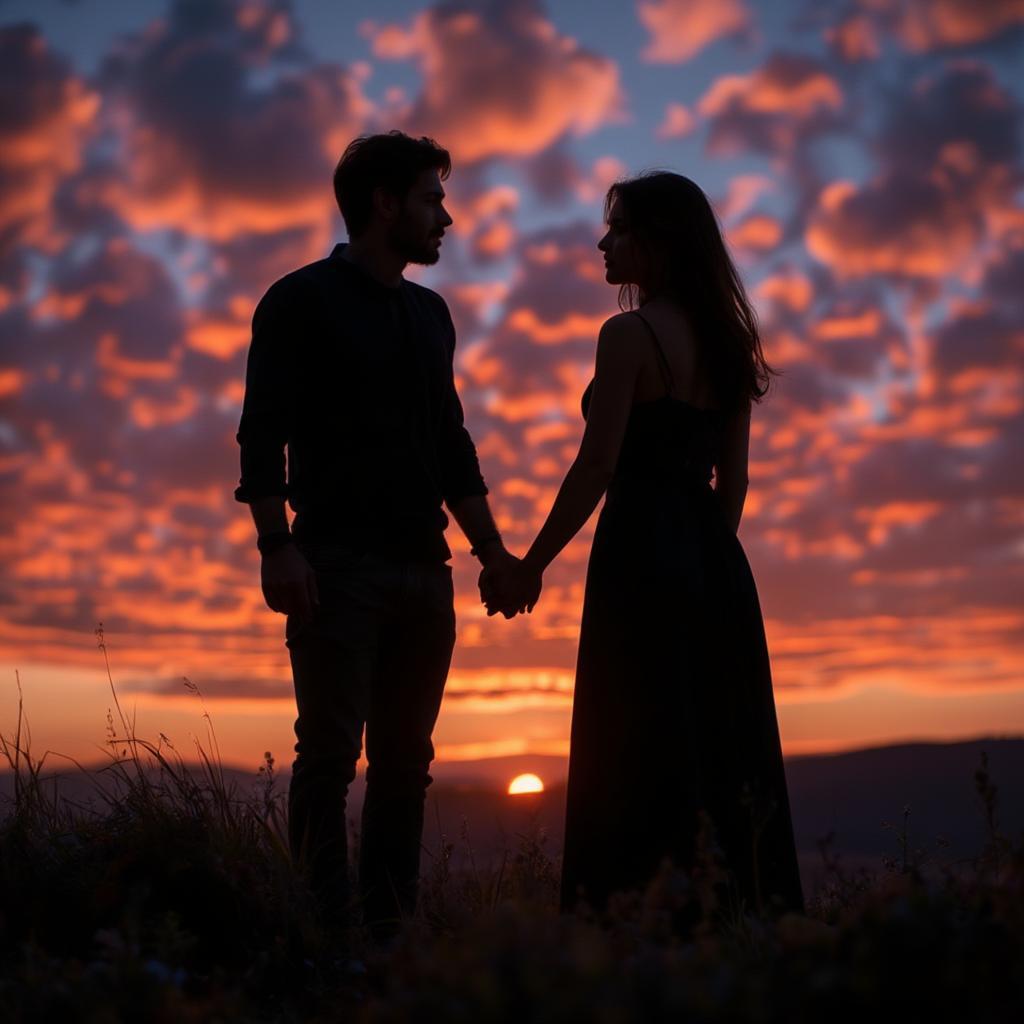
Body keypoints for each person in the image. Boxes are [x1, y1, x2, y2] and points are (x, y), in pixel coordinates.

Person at [482, 171, 805, 923]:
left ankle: (628, 926)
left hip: (637, 556)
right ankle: (734, 923)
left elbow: (597, 465)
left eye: (618, 228)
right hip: (714, 563)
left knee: (632, 744)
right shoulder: (728, 341)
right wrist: (707, 566)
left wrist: (530, 565)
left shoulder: (627, 335)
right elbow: (736, 480)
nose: (603, 241)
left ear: (658, 241)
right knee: (715, 743)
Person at [234, 131, 522, 946]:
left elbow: (450, 444)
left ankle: (389, 938)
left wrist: (491, 552)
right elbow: (262, 435)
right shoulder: (297, 300)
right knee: (327, 760)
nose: (447, 218)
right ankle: (322, 937)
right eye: (433, 199)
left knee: (406, 767)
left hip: (423, 576)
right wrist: (275, 546)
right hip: (335, 569)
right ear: (386, 203)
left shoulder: (432, 315)